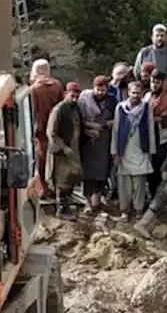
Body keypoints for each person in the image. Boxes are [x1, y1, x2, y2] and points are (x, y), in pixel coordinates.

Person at [111, 81, 156, 221]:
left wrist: (151, 151)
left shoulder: (146, 108)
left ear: (142, 93)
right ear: (128, 93)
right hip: (124, 150)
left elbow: (150, 129)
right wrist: (115, 152)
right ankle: (124, 210)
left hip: (140, 150)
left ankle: (138, 210)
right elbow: (116, 130)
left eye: (138, 93)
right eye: (133, 92)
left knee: (139, 184)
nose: (135, 95)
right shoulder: (120, 108)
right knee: (124, 184)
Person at [78, 75, 117, 215]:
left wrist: (106, 124)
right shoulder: (84, 99)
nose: (100, 93)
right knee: (88, 174)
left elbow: (116, 119)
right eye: (98, 89)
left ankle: (97, 201)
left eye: (103, 90)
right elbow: (79, 119)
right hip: (88, 141)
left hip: (104, 141)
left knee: (102, 173)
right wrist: (89, 127)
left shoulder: (112, 101)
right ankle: (88, 202)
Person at [29, 59, 65, 199]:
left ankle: (43, 190)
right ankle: (57, 190)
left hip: (40, 131)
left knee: (41, 161)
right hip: (56, 130)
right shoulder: (57, 85)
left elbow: (32, 112)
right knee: (56, 160)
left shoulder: (34, 89)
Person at [47, 82, 83, 219]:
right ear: (65, 94)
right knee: (62, 182)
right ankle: (61, 210)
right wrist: (64, 148)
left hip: (73, 149)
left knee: (72, 179)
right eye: (72, 95)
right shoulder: (59, 110)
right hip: (61, 153)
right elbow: (51, 133)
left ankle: (67, 206)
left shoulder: (75, 108)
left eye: (77, 96)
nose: (74, 98)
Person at [134, 24, 167, 91]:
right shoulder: (144, 52)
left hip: (165, 90)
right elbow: (137, 72)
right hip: (147, 90)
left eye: (162, 36)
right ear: (152, 37)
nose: (159, 38)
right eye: (157, 35)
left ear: (166, 37)